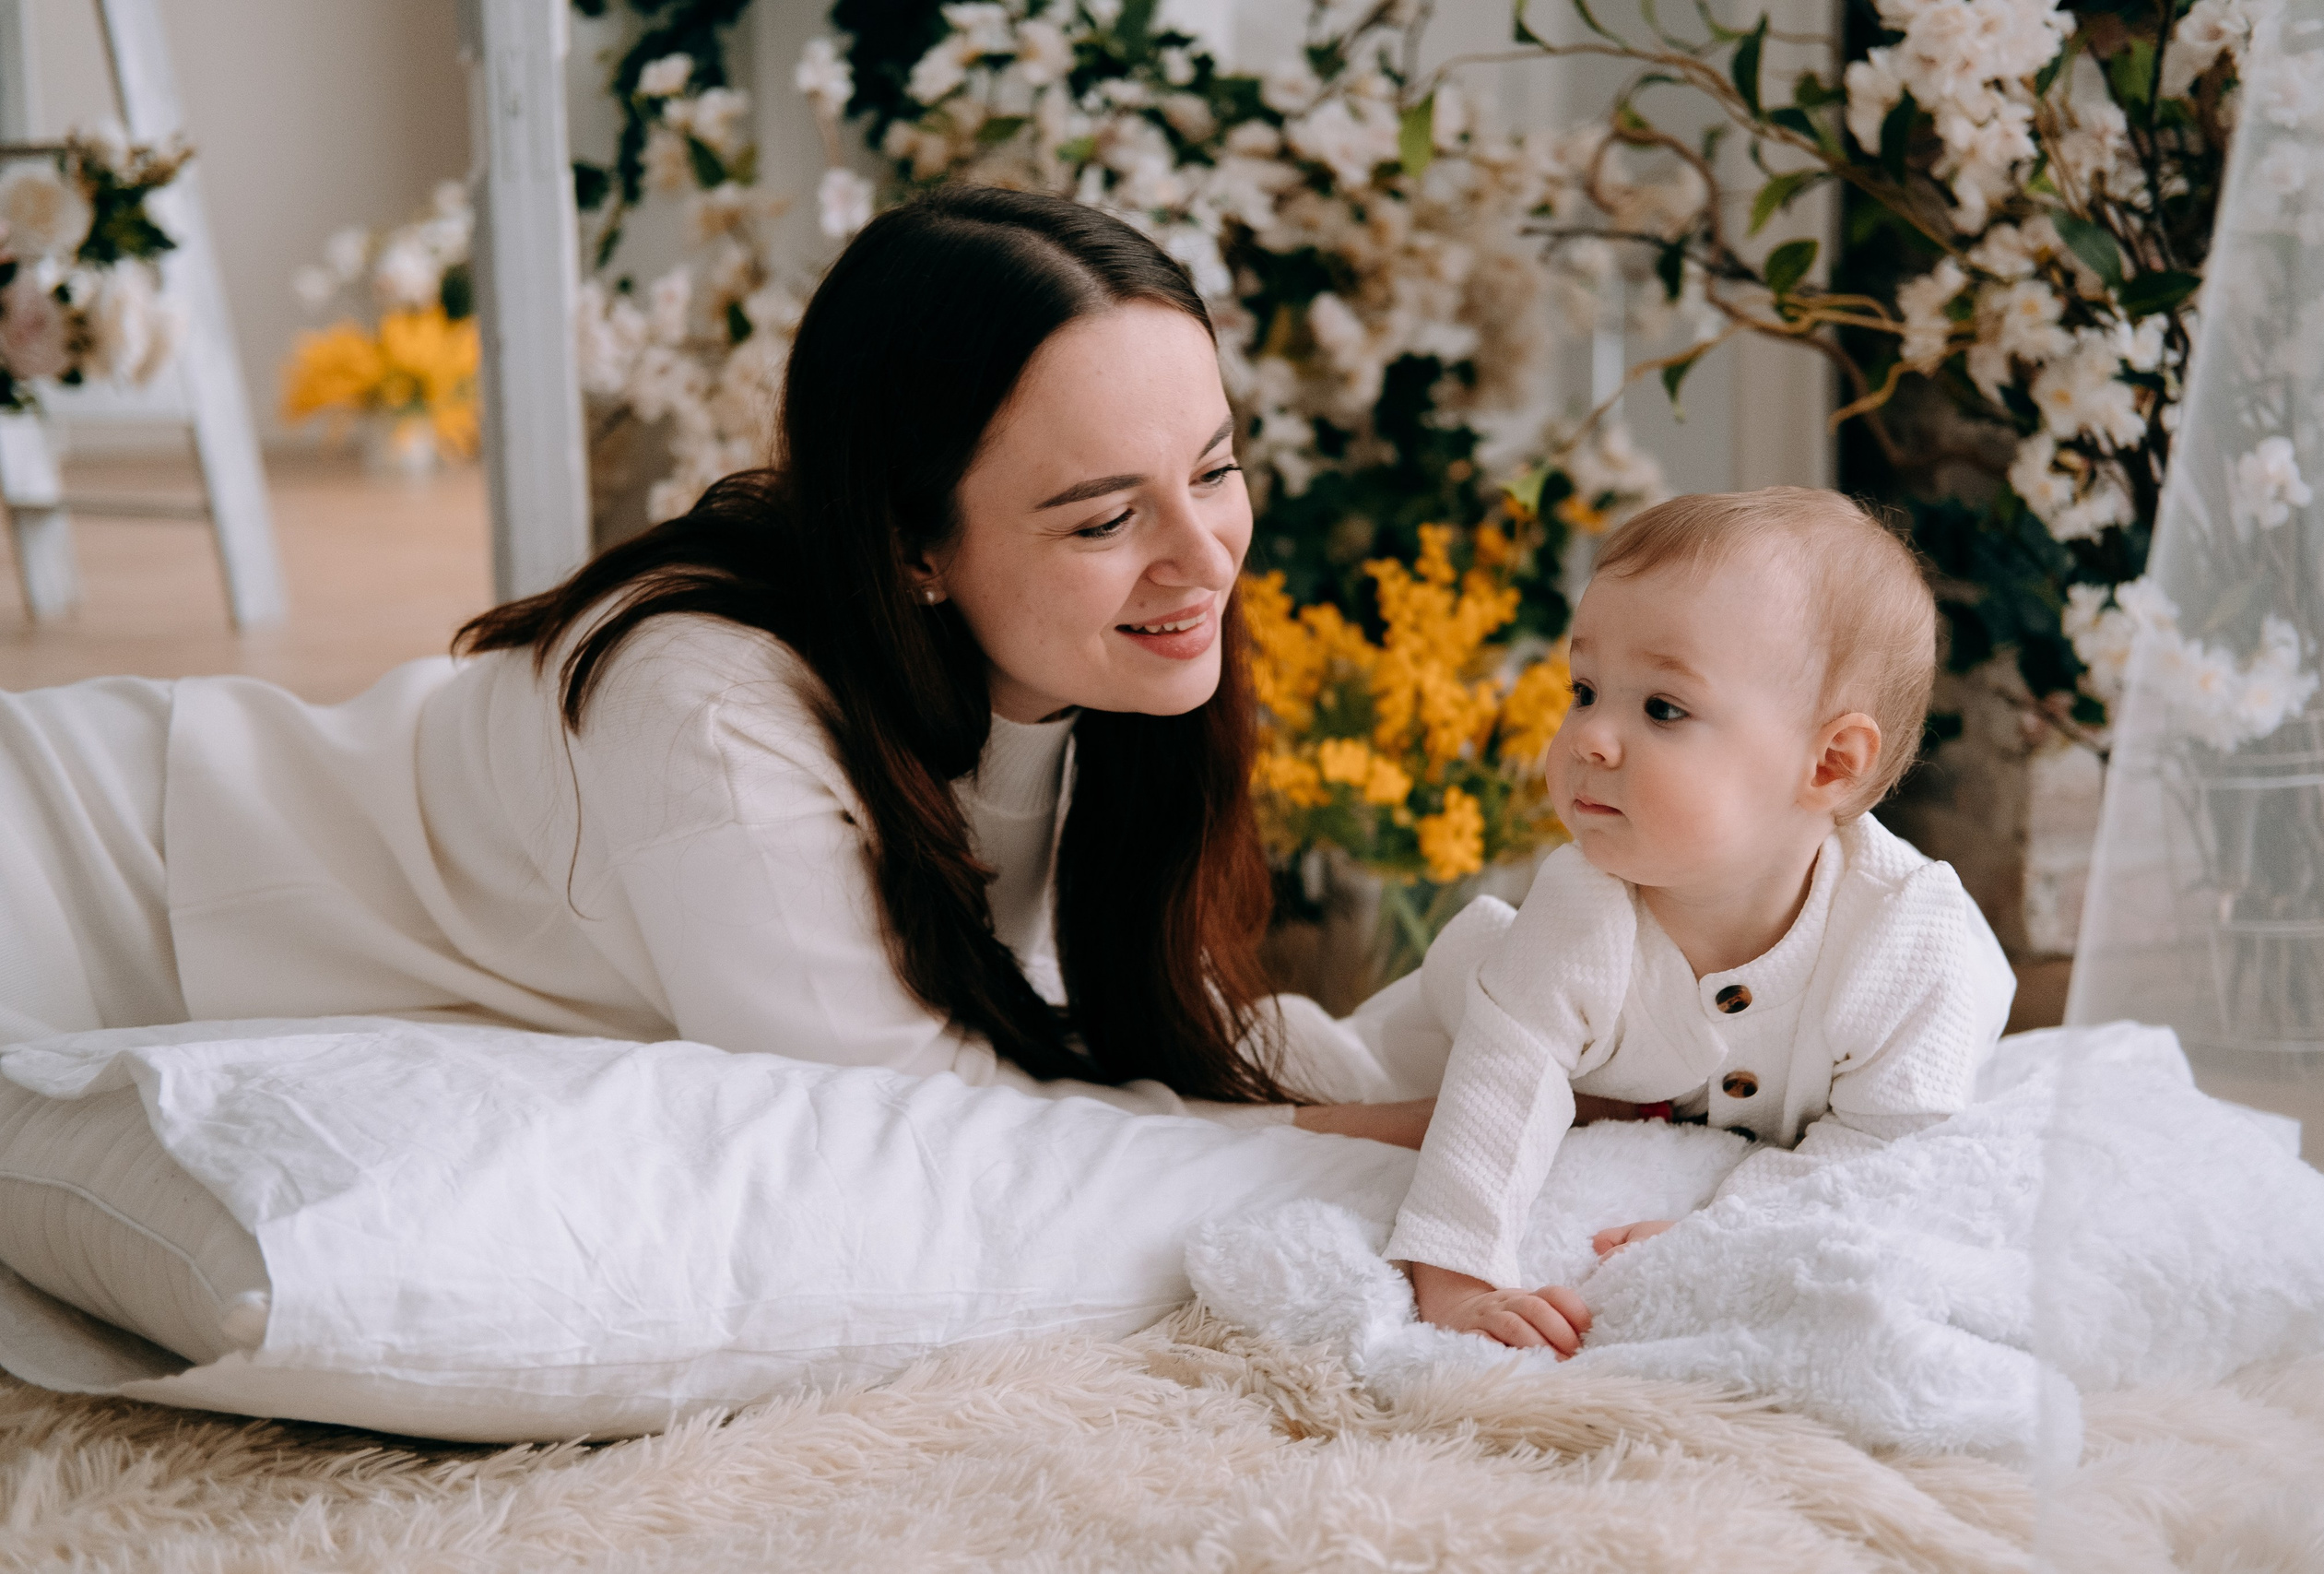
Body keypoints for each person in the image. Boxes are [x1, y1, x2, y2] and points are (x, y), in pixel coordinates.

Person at [0, 187, 1425, 1142]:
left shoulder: (1090, 673)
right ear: (915, 543)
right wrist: (1347, 1134)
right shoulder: (707, 705)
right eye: (1107, 515)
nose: (1204, 553)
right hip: (86, 876)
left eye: (1218, 467)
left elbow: (1081, 1034)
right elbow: (910, 1124)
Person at [1382, 487, 2015, 1355]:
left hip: (1667, 1093)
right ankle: (1295, 1082)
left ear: (1829, 763)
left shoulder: (1907, 943)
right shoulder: (1584, 905)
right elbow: (1503, 1081)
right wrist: (1460, 1282)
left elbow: (1888, 1148)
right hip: (1509, 1003)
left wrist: (1726, 1223)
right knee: (1416, 1042)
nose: (1590, 738)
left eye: (1662, 708)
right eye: (1585, 689)